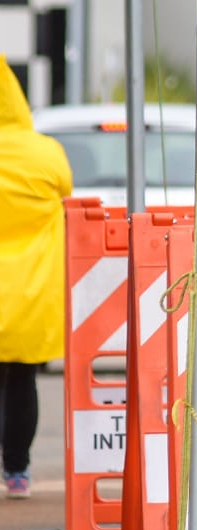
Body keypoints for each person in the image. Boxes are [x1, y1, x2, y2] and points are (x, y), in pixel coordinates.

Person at [0, 54, 72, 499]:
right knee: (22, 380)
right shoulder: (45, 152)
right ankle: (18, 471)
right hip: (29, 291)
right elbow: (65, 189)